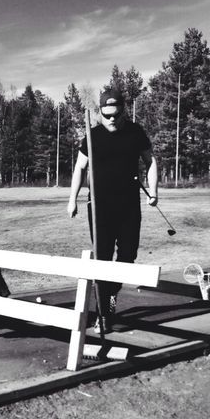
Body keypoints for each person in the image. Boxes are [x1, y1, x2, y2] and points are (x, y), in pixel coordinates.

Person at [65, 87, 157, 333]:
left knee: (128, 255)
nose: (112, 119)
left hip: (128, 205)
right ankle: (103, 313)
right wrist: (72, 199)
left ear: (124, 110)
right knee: (102, 258)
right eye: (107, 115)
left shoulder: (135, 133)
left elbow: (151, 161)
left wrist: (154, 190)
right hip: (99, 206)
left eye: (116, 114)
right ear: (100, 113)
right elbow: (79, 168)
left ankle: (110, 295)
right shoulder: (92, 136)